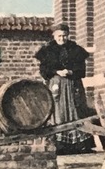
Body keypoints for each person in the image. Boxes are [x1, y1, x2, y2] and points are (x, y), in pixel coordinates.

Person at [35, 22, 93, 154]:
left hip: (73, 85)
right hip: (56, 86)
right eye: (59, 36)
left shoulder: (75, 50)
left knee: (76, 111)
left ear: (68, 36)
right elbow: (44, 71)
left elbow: (82, 71)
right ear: (54, 36)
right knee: (58, 113)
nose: (62, 39)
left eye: (65, 36)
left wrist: (71, 72)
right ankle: (60, 145)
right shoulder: (47, 51)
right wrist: (57, 72)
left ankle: (79, 145)